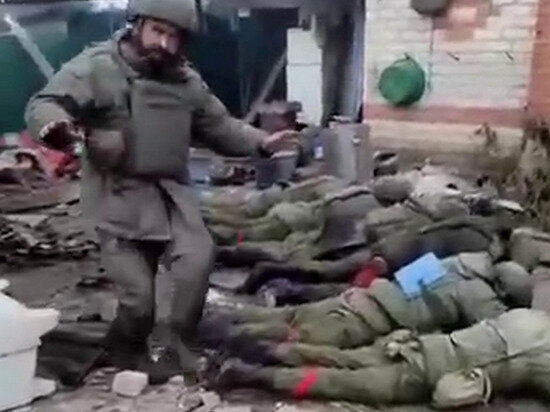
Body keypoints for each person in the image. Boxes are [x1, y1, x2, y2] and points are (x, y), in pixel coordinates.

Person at [25, 0, 297, 383]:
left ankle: (176, 346)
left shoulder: (185, 81)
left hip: (171, 193)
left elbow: (220, 126)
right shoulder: (99, 67)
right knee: (139, 300)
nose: (165, 44)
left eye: (175, 36)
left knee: (196, 262)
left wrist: (263, 142)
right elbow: (45, 104)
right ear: (136, 25)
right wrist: (59, 130)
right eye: (158, 31)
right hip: (116, 195)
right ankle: (125, 349)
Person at [216, 309, 550, 407]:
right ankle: (251, 374)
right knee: (340, 383)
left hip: (418, 343)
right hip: (422, 374)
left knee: (340, 358)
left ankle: (268, 350)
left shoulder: (526, 316)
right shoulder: (543, 353)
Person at [205, 253, 531, 350]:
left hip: (361, 296)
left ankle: (204, 316)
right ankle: (204, 334)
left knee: (283, 316)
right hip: (364, 322)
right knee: (284, 337)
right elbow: (495, 328)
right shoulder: (479, 294)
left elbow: (405, 279)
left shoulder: (454, 263)